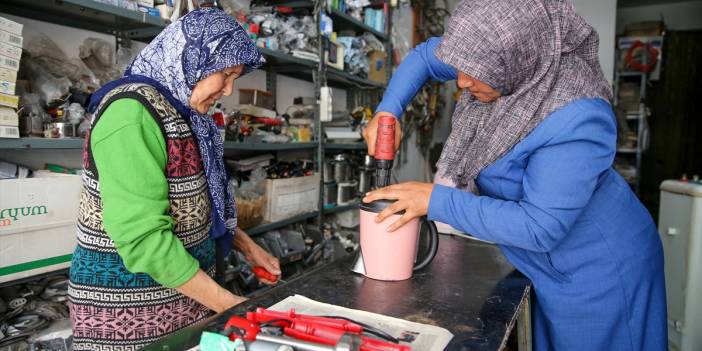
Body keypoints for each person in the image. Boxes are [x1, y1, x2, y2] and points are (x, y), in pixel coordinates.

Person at [362, 0, 667, 350]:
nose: (460, 81)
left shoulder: (577, 116)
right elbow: (424, 58)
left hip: (600, 269)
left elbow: (540, 227)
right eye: (459, 67)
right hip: (543, 263)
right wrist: (389, 110)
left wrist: (436, 200)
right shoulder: (493, 55)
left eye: (473, 73)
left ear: (517, 58)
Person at [68, 8, 280, 350]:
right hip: (131, 321)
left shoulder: (183, 111)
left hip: (187, 304)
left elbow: (195, 202)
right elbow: (144, 239)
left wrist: (245, 245)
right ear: (191, 58)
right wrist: (232, 306)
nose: (228, 91)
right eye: (224, 75)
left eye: (234, 78)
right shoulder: (131, 114)